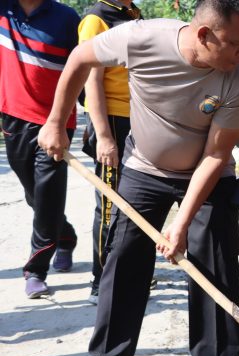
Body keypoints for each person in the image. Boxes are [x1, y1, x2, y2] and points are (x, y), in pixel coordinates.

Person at [38, 0, 239, 356]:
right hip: (145, 169)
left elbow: (215, 156)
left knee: (214, 265)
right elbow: (80, 58)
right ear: (204, 34)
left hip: (207, 177)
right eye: (236, 43)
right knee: (122, 262)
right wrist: (56, 121)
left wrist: (181, 224)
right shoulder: (142, 38)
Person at [0, 0, 80, 298]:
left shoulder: (67, 18)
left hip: (56, 122)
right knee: (34, 193)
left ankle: (35, 270)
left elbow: (82, 70)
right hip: (13, 118)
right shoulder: (4, 11)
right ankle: (66, 235)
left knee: (47, 196)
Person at [78, 0, 142, 306]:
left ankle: (128, 269)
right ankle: (100, 279)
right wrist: (103, 137)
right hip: (111, 120)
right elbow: (91, 81)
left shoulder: (131, 14)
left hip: (138, 119)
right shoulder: (96, 19)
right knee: (109, 202)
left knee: (135, 197)